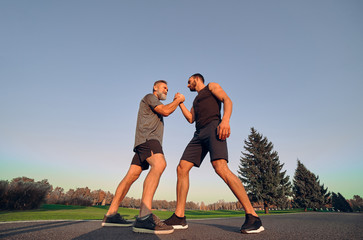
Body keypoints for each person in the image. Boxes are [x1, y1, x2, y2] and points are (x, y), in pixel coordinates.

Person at [164, 73, 264, 234]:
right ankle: (179, 217)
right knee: (182, 168)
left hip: (213, 127)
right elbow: (191, 118)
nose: (187, 84)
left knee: (220, 167)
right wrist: (181, 103)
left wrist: (225, 120)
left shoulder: (211, 86)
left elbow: (227, 100)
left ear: (196, 79)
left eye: (189, 81)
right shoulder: (195, 100)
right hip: (199, 134)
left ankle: (253, 216)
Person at [102, 80, 185, 235]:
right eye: (164, 87)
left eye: (168, 88)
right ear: (155, 87)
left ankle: (111, 214)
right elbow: (166, 111)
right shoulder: (150, 97)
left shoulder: (153, 102)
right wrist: (178, 100)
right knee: (159, 164)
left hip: (142, 142)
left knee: (131, 176)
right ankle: (144, 216)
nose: (166, 90)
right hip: (148, 140)